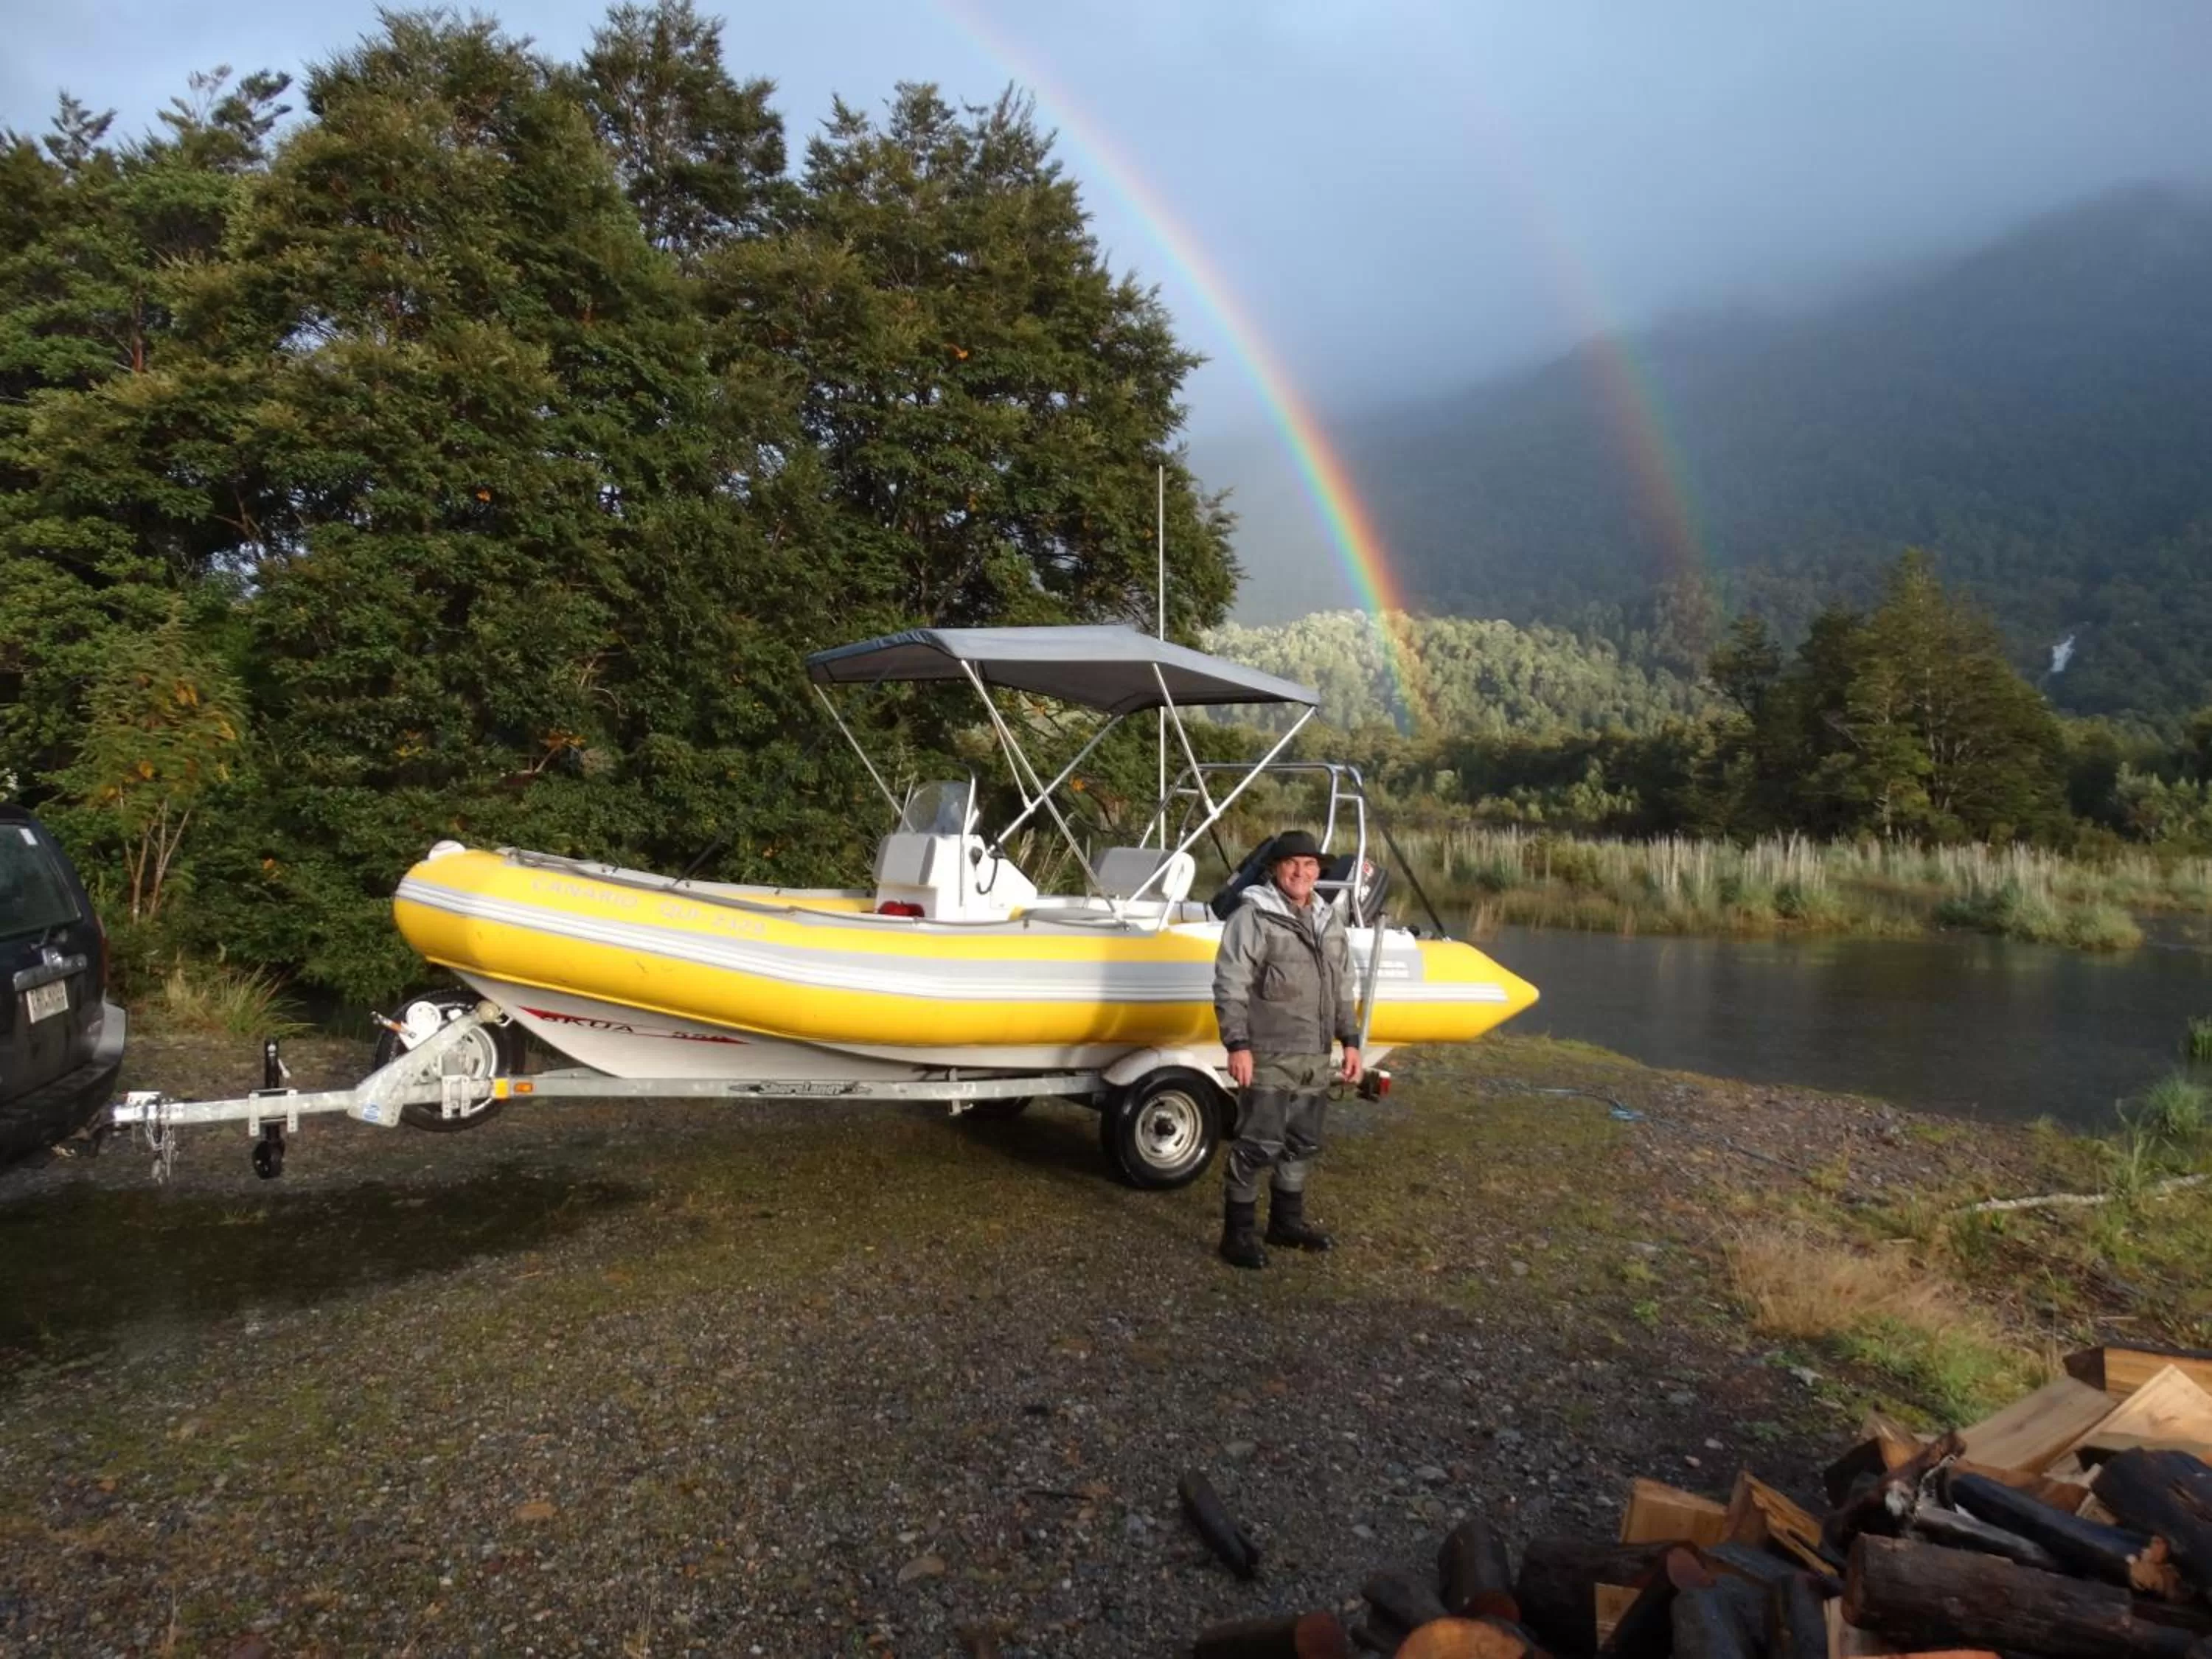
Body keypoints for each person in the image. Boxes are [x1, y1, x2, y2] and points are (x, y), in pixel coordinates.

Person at [1210, 829, 1363, 1269]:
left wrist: (1350, 1042)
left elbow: (1342, 984)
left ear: (1320, 871)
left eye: (1311, 865)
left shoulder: (1328, 919)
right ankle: (1236, 1235)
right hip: (1268, 1052)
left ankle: (1285, 1224)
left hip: (1315, 1055)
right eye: (1292, 863)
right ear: (1276, 869)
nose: (1302, 872)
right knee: (1258, 1143)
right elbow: (1230, 983)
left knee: (1302, 1142)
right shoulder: (1253, 916)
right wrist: (1237, 1045)